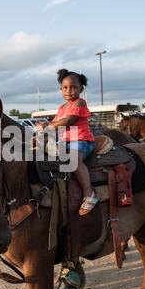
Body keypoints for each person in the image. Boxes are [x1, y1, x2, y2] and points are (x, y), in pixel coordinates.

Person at [37, 69, 97, 215]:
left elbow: (68, 121)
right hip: (65, 142)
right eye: (65, 87)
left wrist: (48, 126)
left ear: (81, 89)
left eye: (73, 87)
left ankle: (89, 193)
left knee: (74, 161)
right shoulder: (62, 108)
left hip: (81, 140)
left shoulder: (80, 103)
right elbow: (55, 125)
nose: (69, 91)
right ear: (60, 89)